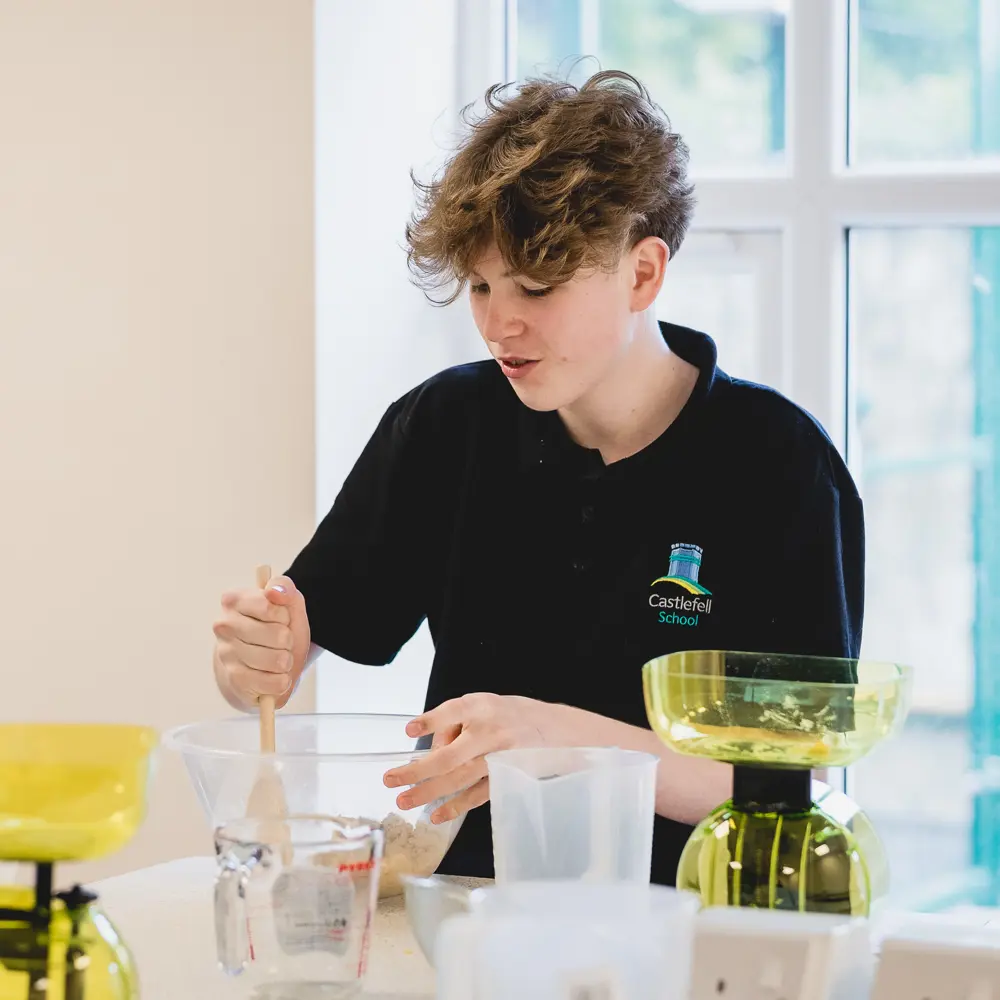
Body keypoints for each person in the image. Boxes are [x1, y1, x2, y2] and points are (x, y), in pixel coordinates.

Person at [211, 70, 864, 886]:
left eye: (539, 288)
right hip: (465, 914)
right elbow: (306, 635)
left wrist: (559, 743)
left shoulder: (779, 467)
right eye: (481, 286)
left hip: (692, 932)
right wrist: (261, 658)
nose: (498, 324)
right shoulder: (445, 428)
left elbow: (796, 783)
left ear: (643, 273)